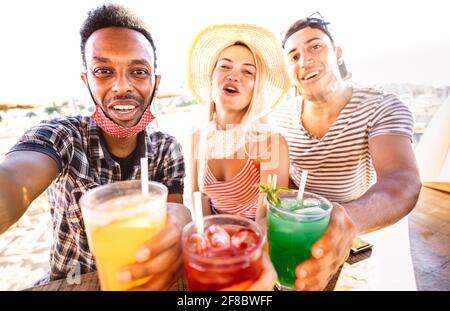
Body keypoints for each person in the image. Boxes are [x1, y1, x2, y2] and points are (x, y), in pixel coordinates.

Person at [0, 4, 191, 290]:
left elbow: (173, 216)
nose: (121, 86)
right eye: (103, 71)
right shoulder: (64, 136)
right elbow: (16, 180)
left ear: (155, 82)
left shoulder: (167, 149)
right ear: (85, 80)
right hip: (71, 282)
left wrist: (180, 219)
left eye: (138, 72)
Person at [273, 13, 422, 290]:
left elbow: (401, 179)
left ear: (337, 53)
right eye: (293, 56)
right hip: (296, 234)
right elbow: (281, 180)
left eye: (315, 46)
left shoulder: (382, 106)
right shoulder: (278, 119)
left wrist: (346, 221)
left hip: (355, 238)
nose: (304, 61)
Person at [186, 23, 291, 221]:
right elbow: (198, 203)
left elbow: (267, 219)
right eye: (224, 66)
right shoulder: (196, 137)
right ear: (212, 78)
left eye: (248, 72)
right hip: (213, 241)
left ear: (256, 89)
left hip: (256, 243)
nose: (233, 75)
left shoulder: (271, 143)